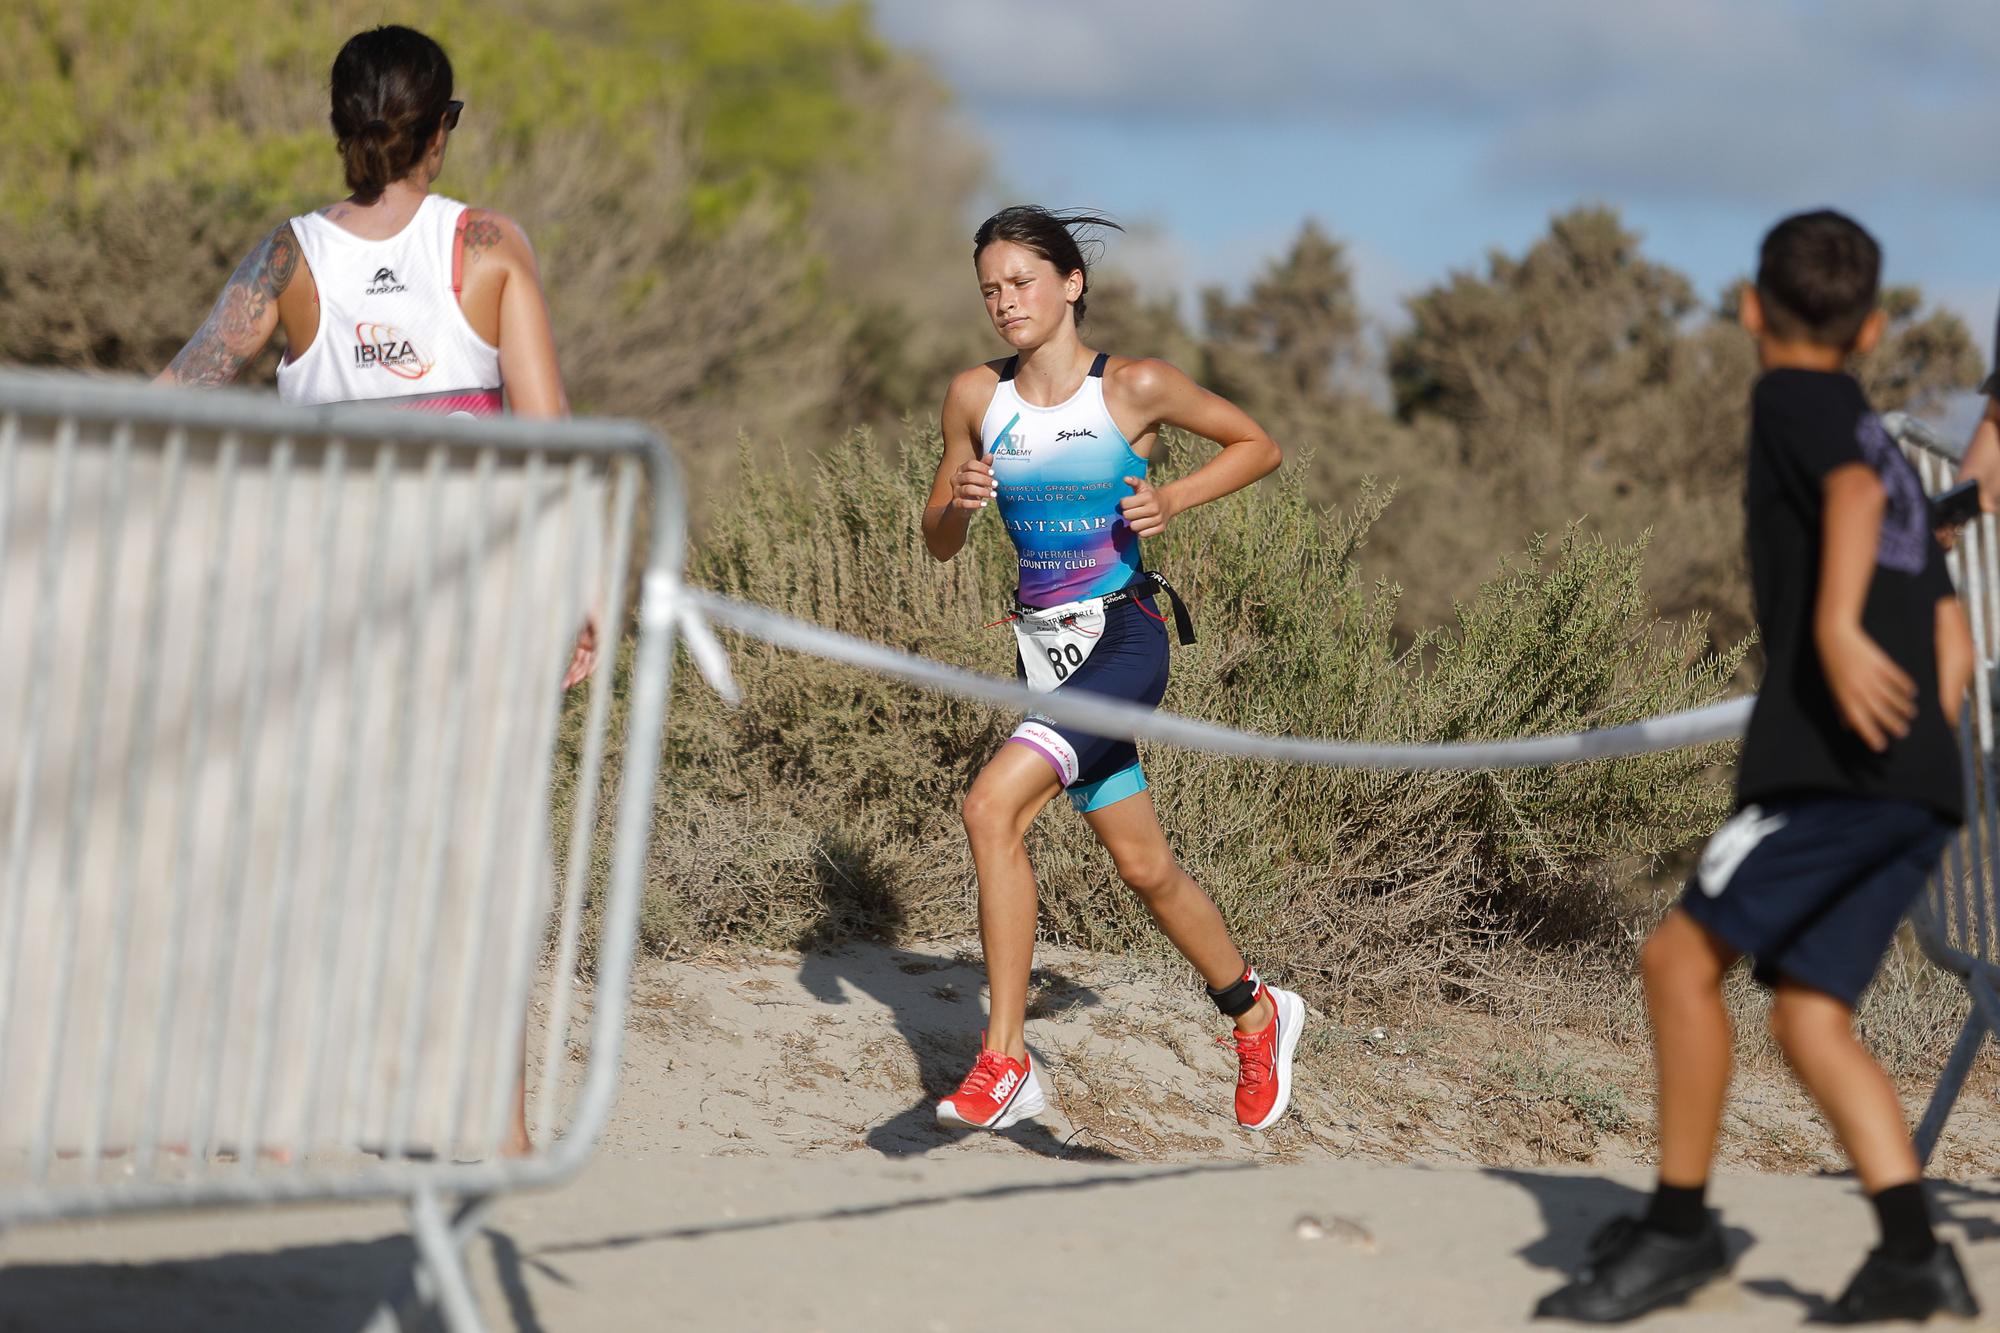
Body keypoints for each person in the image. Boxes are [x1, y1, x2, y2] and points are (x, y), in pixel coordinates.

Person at [1535, 211, 1979, 1323]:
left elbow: (1850, 499)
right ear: (1872, 327)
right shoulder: (1871, 427)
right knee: (1807, 1017)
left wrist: (1829, 634)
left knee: (1676, 961)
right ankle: (1912, 1255)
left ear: (1745, 308)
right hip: (1916, 782)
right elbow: (1952, 636)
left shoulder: (1795, 401)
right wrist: (1921, 731)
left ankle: (1679, 1232)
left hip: (1831, 770)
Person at [155, 24, 589, 1158]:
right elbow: (550, 443)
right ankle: (492, 1120)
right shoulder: (490, 246)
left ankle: (281, 1115)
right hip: (476, 601)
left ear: (338, 126)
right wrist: (582, 589)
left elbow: (176, 392)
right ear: (443, 128)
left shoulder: (284, 258)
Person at [920, 206, 1302, 1133]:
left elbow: (1259, 445)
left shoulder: (1133, 386)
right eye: (991, 291)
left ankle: (1006, 1061)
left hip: (1124, 640)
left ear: (1070, 284)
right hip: (1043, 652)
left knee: (989, 806)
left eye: (1022, 283)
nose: (1006, 302)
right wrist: (961, 503)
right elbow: (935, 541)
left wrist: (1174, 495)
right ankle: (1256, 1010)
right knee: (1144, 864)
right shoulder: (976, 396)